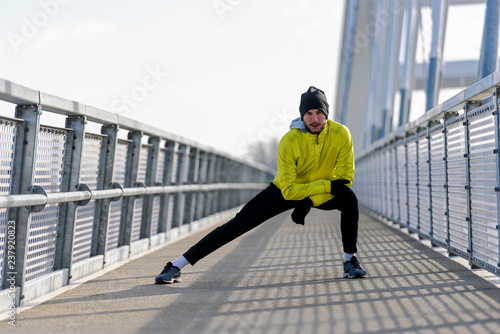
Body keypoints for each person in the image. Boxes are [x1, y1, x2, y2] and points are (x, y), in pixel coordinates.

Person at [155, 86, 366, 284]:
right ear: (302, 116)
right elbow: (290, 190)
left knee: (349, 199)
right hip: (285, 190)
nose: (314, 118)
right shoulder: (289, 141)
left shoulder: (341, 134)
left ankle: (350, 260)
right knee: (238, 224)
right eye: (308, 113)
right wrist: (323, 189)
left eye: (319, 112)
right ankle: (176, 265)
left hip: (319, 192)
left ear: (326, 113)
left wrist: (309, 201)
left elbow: (345, 178)